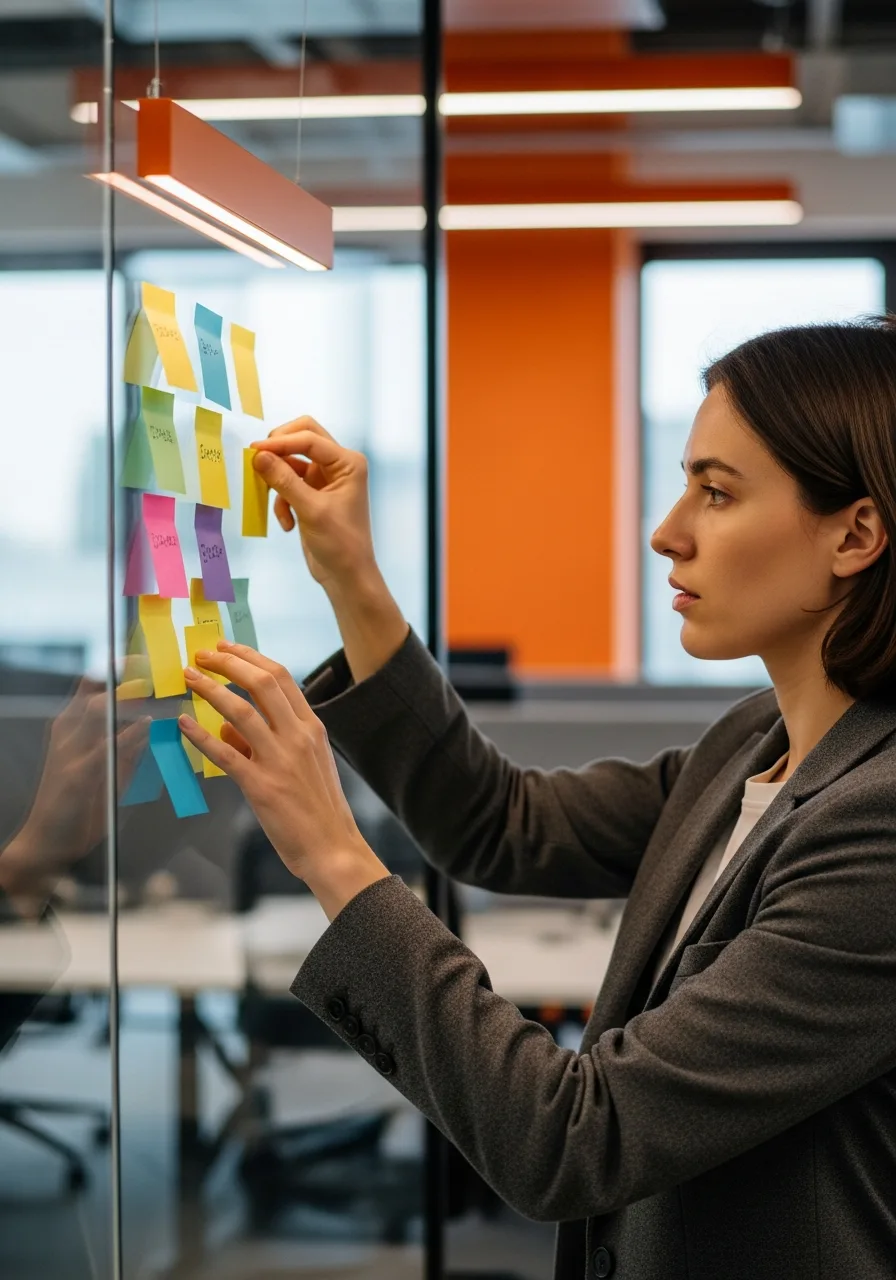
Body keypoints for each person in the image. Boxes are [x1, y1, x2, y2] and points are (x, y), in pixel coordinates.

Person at [178, 317, 896, 1280]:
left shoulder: (878, 828)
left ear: (855, 534)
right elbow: (502, 826)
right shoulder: (750, 747)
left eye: (716, 493)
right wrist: (352, 576)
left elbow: (575, 1141)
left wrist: (334, 851)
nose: (667, 531)